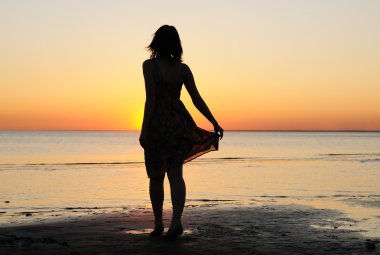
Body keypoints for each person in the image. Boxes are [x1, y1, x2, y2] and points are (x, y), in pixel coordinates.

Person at [139, 25, 223, 240]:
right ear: (176, 44)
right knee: (176, 175)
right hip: (178, 123)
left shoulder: (149, 66)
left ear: (156, 42)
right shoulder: (182, 69)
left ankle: (158, 224)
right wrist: (214, 121)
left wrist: (144, 130)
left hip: (158, 125)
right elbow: (196, 99)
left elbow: (152, 99)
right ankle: (175, 222)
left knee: (156, 175)